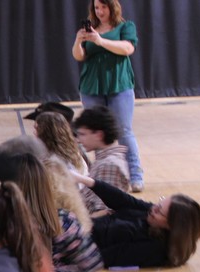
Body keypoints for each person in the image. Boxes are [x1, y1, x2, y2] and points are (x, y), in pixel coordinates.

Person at [72, 0, 144, 192]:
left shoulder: (125, 26)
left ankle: (135, 175)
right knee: (96, 132)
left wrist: (100, 41)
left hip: (119, 84)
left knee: (124, 130)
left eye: (103, 7)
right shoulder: (91, 29)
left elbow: (127, 49)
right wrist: (79, 40)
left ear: (112, 7)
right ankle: (102, 175)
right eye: (97, 7)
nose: (100, 11)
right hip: (92, 85)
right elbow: (79, 56)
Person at [71, 172, 200, 268]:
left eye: (159, 211)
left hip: (74, 243)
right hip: (77, 229)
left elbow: (103, 257)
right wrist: (84, 180)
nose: (153, 208)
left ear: (171, 226)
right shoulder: (153, 213)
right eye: (159, 203)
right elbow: (123, 200)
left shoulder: (154, 249)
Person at [73, 106, 130, 215]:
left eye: (83, 134)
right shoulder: (105, 160)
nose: (78, 140)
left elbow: (105, 212)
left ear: (99, 135)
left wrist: (74, 223)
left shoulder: (108, 165)